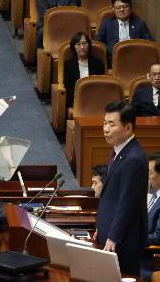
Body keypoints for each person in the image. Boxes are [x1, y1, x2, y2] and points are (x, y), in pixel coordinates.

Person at [93, 101, 148, 277]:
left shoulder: (134, 158)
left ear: (128, 127)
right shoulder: (120, 151)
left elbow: (127, 203)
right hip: (112, 236)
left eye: (111, 124)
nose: (105, 129)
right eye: (104, 122)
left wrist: (113, 237)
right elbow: (111, 196)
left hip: (124, 242)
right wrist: (101, 228)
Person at [95, 0, 154, 69]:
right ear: (114, 10)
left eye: (125, 7)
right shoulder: (106, 24)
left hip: (136, 59)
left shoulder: (140, 24)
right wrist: (117, 49)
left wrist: (135, 50)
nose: (121, 10)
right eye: (118, 7)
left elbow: (151, 43)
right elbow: (98, 43)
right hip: (114, 60)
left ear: (131, 9)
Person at [62, 32, 105, 108]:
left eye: (84, 43)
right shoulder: (69, 64)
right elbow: (68, 86)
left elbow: (101, 84)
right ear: (74, 47)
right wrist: (82, 96)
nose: (82, 47)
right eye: (78, 44)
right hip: (76, 98)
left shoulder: (97, 62)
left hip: (95, 97)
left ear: (89, 45)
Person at [143, 152, 160, 278]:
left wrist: (132, 239)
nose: (148, 177)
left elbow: (158, 238)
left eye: (150, 173)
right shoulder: (156, 195)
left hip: (149, 261)